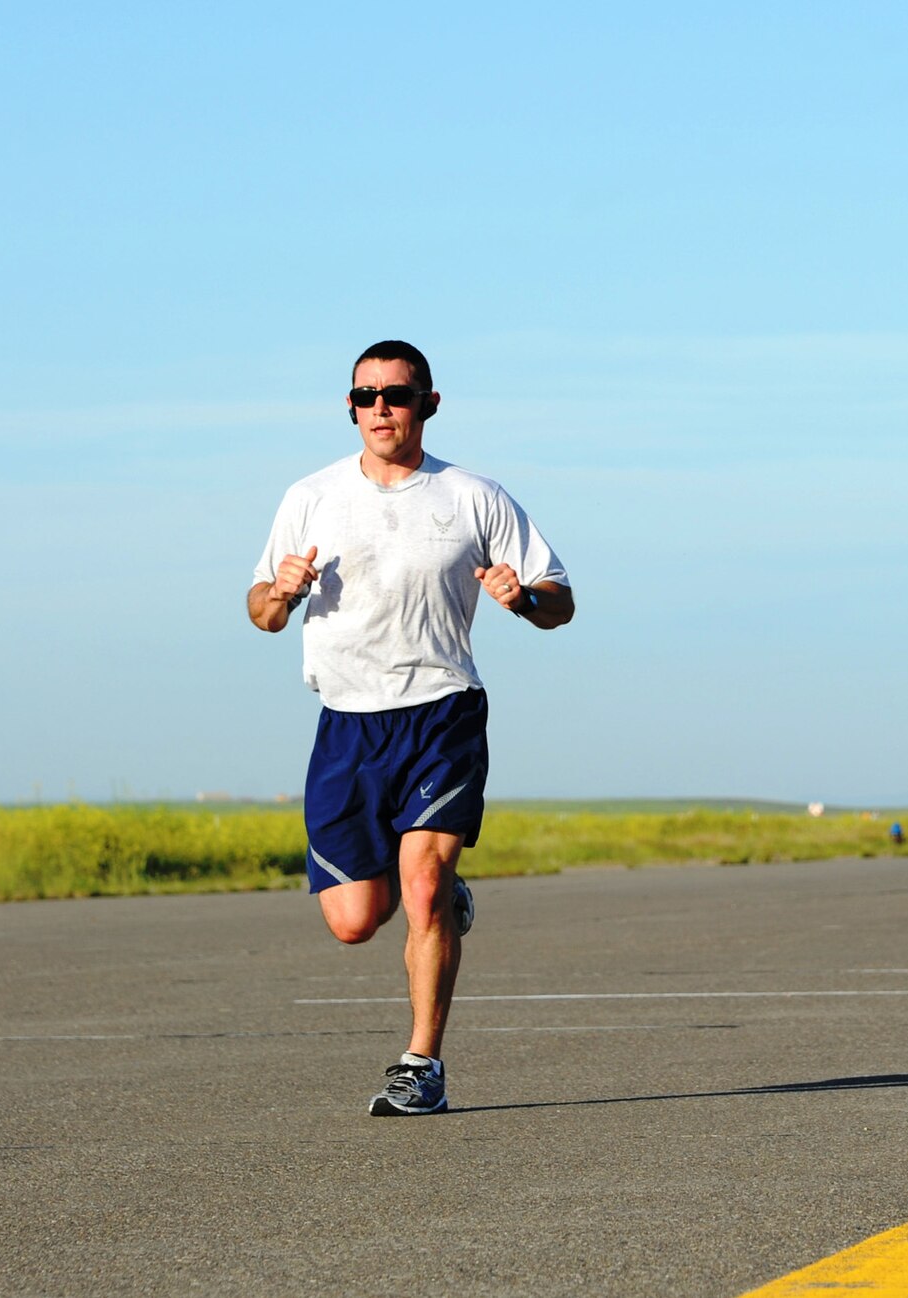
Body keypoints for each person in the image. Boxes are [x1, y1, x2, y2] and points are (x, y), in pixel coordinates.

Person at [248, 340, 574, 1116]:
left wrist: (522, 597)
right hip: (347, 724)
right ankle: (439, 889)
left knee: (421, 890)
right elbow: (260, 612)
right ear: (351, 407)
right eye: (365, 397)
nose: (380, 409)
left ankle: (421, 1062)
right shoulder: (310, 497)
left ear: (429, 403)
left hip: (442, 712)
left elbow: (559, 599)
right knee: (355, 921)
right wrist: (283, 592)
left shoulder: (472, 496)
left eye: (396, 394)